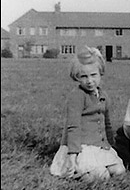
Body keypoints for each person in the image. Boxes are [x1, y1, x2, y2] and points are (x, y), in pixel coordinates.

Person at [50, 46, 125, 182]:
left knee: (119, 171)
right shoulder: (77, 96)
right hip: (81, 147)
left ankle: (94, 169)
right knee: (102, 176)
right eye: (84, 76)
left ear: (100, 73)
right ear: (77, 77)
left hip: (99, 145)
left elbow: (106, 123)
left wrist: (110, 145)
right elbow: (73, 126)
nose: (89, 80)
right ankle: (79, 173)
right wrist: (73, 154)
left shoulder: (103, 95)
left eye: (93, 75)